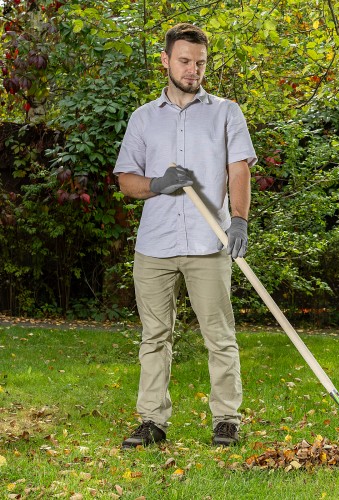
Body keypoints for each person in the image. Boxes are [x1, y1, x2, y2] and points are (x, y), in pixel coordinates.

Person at [113, 23, 257, 449]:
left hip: (207, 243)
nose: (193, 70)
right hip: (154, 246)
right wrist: (157, 184)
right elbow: (125, 180)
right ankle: (152, 422)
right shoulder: (143, 118)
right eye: (184, 61)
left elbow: (239, 169)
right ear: (165, 61)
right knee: (154, 337)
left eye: (200, 63)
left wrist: (240, 219)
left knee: (220, 334)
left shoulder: (226, 112)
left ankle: (226, 420)